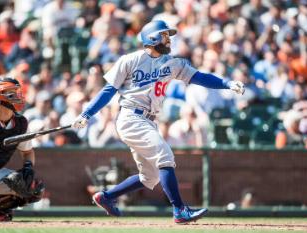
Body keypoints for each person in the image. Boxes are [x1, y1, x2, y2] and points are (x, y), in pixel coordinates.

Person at [72, 20, 245, 224]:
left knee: (150, 178)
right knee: (165, 156)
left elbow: (199, 77)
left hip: (148, 120)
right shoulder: (130, 60)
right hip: (131, 117)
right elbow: (108, 91)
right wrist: (86, 114)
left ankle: (107, 197)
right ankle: (180, 210)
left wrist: (227, 84)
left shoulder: (173, 63)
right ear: (152, 37)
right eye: (164, 35)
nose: (168, 39)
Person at [0, 77, 44, 221]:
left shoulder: (21, 123)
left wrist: (28, 167)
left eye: (17, 92)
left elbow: (28, 152)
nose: (18, 96)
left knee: (33, 188)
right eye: (12, 93)